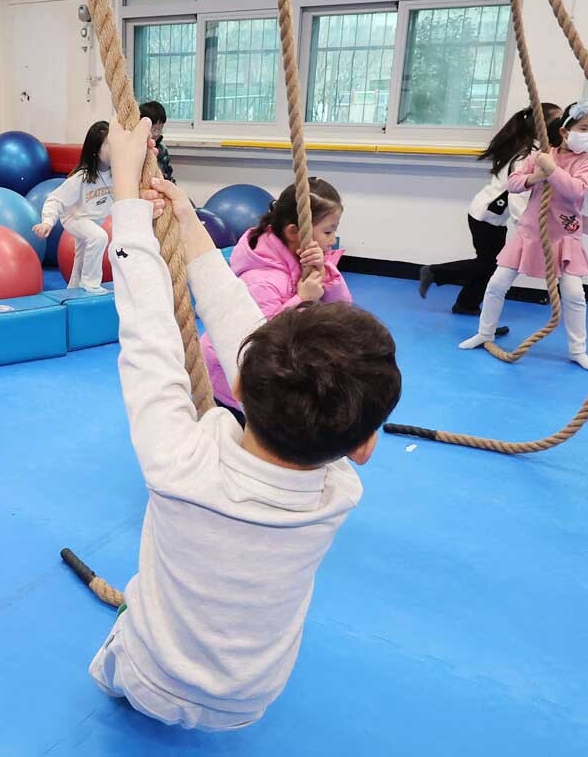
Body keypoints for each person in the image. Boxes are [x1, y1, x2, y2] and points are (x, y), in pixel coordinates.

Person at [87, 117, 402, 731]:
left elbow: (149, 329)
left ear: (248, 383)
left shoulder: (179, 465)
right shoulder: (339, 492)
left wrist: (126, 190)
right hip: (250, 702)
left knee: (117, 657)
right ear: (363, 446)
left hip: (151, 677)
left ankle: (114, 669)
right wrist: (185, 223)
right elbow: (246, 341)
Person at [458, 100, 588, 372]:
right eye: (584, 127)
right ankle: (485, 333)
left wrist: (552, 170)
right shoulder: (541, 154)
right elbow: (513, 183)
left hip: (564, 237)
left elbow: (575, 190)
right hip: (530, 231)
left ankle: (578, 350)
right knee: (496, 284)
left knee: (574, 294)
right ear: (564, 131)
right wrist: (536, 176)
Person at [201, 177, 351, 422]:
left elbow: (342, 311)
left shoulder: (303, 264)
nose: (332, 239)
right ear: (294, 232)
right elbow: (260, 341)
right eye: (327, 231)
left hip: (269, 371)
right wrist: (302, 301)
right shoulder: (261, 280)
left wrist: (324, 273)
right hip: (231, 379)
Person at [419, 103, 563, 330]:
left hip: (490, 215)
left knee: (488, 264)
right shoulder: (528, 155)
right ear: (542, 126)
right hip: (486, 216)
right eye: (559, 121)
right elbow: (517, 195)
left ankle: (466, 303)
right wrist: (526, 229)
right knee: (492, 265)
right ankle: (435, 272)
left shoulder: (531, 150)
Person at [33, 120, 113, 293]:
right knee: (98, 237)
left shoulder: (116, 175)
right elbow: (55, 200)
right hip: (75, 218)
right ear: (95, 150)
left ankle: (73, 289)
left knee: (83, 256)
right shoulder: (82, 177)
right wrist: (47, 222)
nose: (114, 148)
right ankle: (90, 283)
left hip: (94, 219)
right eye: (108, 144)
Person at [139, 100, 174, 182]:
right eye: (153, 129)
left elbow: (168, 175)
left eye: (160, 129)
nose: (156, 134)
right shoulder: (136, 149)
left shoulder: (162, 149)